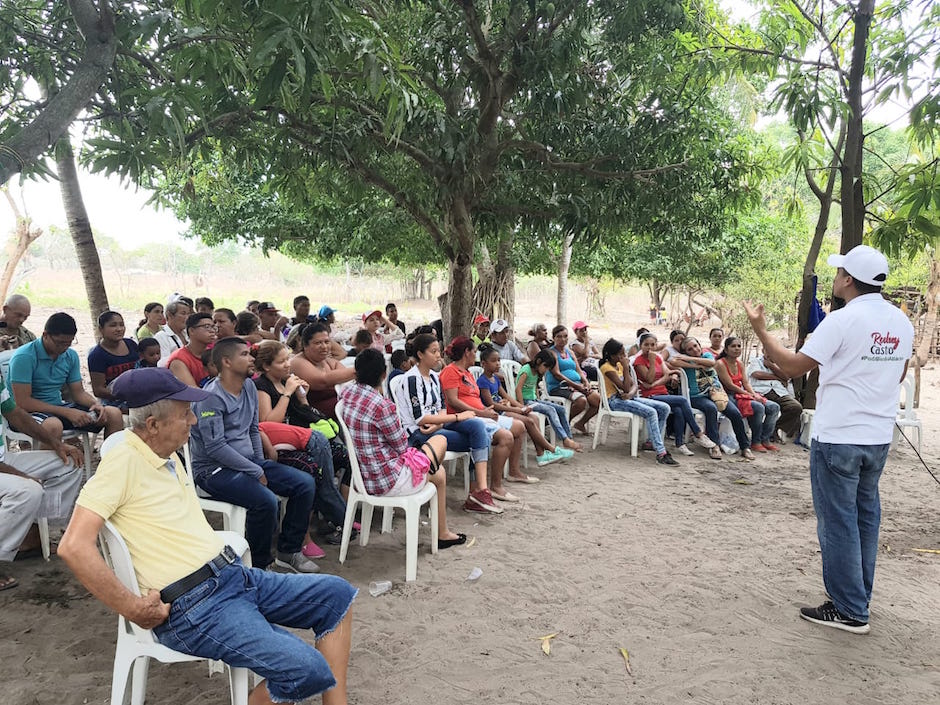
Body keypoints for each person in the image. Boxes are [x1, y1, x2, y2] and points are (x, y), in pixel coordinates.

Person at [57, 367, 355, 704]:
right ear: (153, 425)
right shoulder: (124, 461)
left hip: (229, 577)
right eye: (185, 414)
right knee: (305, 669)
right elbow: (73, 545)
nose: (194, 422)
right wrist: (133, 608)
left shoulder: (162, 453)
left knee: (337, 596)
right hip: (193, 606)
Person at [745, 244, 913, 634]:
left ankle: (850, 611)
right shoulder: (901, 322)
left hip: (838, 436)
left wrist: (760, 330)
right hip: (877, 437)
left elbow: (791, 365)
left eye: (839, 273)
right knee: (865, 519)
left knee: (838, 522)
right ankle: (858, 598)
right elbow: (899, 374)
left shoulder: (842, 320)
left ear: (849, 280)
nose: (835, 278)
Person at [189, 337, 320, 573]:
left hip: (248, 463)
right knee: (266, 501)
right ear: (226, 362)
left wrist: (258, 462)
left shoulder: (249, 386)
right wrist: (255, 470)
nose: (251, 358)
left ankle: (288, 551)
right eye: (244, 355)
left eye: (250, 354)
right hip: (213, 470)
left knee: (305, 483)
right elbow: (215, 447)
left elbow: (252, 429)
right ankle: (260, 564)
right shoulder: (211, 397)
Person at [339, 348, 466, 548]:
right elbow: (400, 446)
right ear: (383, 375)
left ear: (356, 373)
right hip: (387, 480)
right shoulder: (382, 406)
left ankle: (439, 523)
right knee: (440, 455)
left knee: (436, 455)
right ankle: (442, 533)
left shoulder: (347, 394)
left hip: (361, 476)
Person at [391, 333, 503, 514]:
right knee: (478, 437)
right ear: (420, 354)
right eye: (433, 351)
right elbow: (420, 419)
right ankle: (478, 494)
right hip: (418, 434)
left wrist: (439, 424)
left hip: (437, 426)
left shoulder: (434, 377)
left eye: (438, 351)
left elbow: (442, 408)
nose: (438, 355)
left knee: (477, 427)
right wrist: (458, 417)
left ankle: (480, 491)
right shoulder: (412, 379)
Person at [0, 368, 83, 590]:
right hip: (2, 465)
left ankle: (33, 535)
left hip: (3, 459)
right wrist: (22, 476)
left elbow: (14, 413)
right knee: (28, 489)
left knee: (69, 463)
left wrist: (56, 443)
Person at [8, 312, 123, 442]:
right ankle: (49, 462)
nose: (64, 347)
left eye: (68, 343)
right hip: (24, 414)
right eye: (59, 343)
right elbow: (23, 402)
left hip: (56, 408)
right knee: (53, 425)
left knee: (113, 414)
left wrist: (95, 404)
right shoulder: (24, 357)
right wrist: (65, 412)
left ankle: (110, 460)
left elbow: (78, 392)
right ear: (45, 335)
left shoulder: (70, 355)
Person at [477, 344, 569, 470]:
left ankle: (541, 454)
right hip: (495, 414)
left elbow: (507, 397)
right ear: (483, 363)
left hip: (504, 409)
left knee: (533, 418)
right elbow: (491, 404)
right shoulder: (483, 381)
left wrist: (521, 407)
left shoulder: (495, 379)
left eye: (498, 360)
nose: (498, 364)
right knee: (529, 421)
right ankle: (551, 449)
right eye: (494, 361)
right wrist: (516, 409)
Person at [632, 332, 715, 457]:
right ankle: (698, 433)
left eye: (653, 345)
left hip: (662, 393)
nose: (649, 348)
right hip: (648, 396)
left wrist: (657, 382)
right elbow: (648, 379)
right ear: (640, 346)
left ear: (656, 345)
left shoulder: (658, 358)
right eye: (646, 345)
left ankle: (680, 444)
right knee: (682, 400)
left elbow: (667, 375)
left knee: (679, 410)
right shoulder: (639, 361)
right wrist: (652, 363)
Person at [598, 339, 677, 465]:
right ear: (612, 355)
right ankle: (661, 452)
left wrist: (629, 393)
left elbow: (633, 385)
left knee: (664, 408)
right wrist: (625, 369)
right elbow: (625, 387)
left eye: (624, 354)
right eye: (621, 354)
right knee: (651, 412)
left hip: (626, 397)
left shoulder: (619, 365)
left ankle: (652, 442)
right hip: (613, 401)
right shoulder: (607, 368)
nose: (624, 357)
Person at [672, 336, 751, 459]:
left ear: (699, 345)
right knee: (711, 408)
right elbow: (673, 362)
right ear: (685, 352)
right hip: (697, 396)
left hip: (717, 393)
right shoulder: (685, 362)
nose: (694, 349)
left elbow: (711, 363)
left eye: (695, 346)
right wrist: (696, 366)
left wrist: (690, 359)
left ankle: (744, 447)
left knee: (735, 413)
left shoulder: (706, 356)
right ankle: (715, 446)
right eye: (689, 349)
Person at [715, 336, 781, 452]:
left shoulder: (739, 363)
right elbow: (730, 385)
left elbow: (745, 382)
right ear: (726, 350)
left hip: (742, 394)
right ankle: (756, 442)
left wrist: (754, 395)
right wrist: (750, 395)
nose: (737, 349)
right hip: (728, 395)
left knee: (774, 407)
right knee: (758, 407)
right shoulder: (720, 364)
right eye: (733, 346)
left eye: (739, 346)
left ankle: (765, 439)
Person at [513, 349, 583, 453]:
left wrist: (537, 398)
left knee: (561, 409)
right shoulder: (526, 370)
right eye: (546, 366)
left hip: (534, 400)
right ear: (538, 361)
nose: (546, 370)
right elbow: (518, 389)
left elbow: (534, 388)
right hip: (526, 402)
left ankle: (568, 438)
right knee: (550, 409)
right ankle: (564, 439)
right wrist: (522, 406)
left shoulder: (536, 372)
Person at [290, 323, 356, 421]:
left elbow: (343, 375)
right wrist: (360, 369)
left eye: (327, 342)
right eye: (318, 343)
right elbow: (322, 380)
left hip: (343, 411)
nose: (324, 346)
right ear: (305, 345)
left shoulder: (326, 360)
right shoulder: (297, 362)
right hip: (316, 419)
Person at [544, 325, 600, 435]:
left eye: (565, 336)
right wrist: (576, 385)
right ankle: (563, 423)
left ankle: (580, 423)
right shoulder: (552, 353)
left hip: (576, 385)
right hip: (559, 386)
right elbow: (557, 374)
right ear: (554, 338)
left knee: (597, 400)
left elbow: (578, 369)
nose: (563, 339)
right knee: (581, 401)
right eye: (559, 337)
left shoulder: (569, 352)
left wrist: (585, 381)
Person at [747, 349, 803, 442]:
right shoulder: (755, 361)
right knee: (767, 407)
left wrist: (771, 366)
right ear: (763, 350)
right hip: (760, 391)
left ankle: (774, 429)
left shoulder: (780, 364)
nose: (770, 354)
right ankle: (766, 433)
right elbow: (756, 374)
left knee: (796, 407)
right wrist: (777, 377)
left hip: (779, 391)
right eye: (768, 351)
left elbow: (786, 377)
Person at [87, 311, 139, 409]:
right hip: (113, 402)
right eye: (113, 325)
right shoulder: (97, 355)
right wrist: (124, 394)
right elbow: (98, 390)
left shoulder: (131, 345)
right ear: (101, 329)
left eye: (121, 325)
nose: (119, 329)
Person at [167, 313, 217, 388]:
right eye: (207, 327)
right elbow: (192, 391)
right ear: (192, 331)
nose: (212, 331)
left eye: (213, 327)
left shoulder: (215, 353)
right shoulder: (179, 360)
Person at [154, 299, 190, 366]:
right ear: (170, 315)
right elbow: (163, 363)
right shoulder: (162, 336)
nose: (187, 317)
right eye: (183, 313)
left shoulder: (188, 333)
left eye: (188, 314)